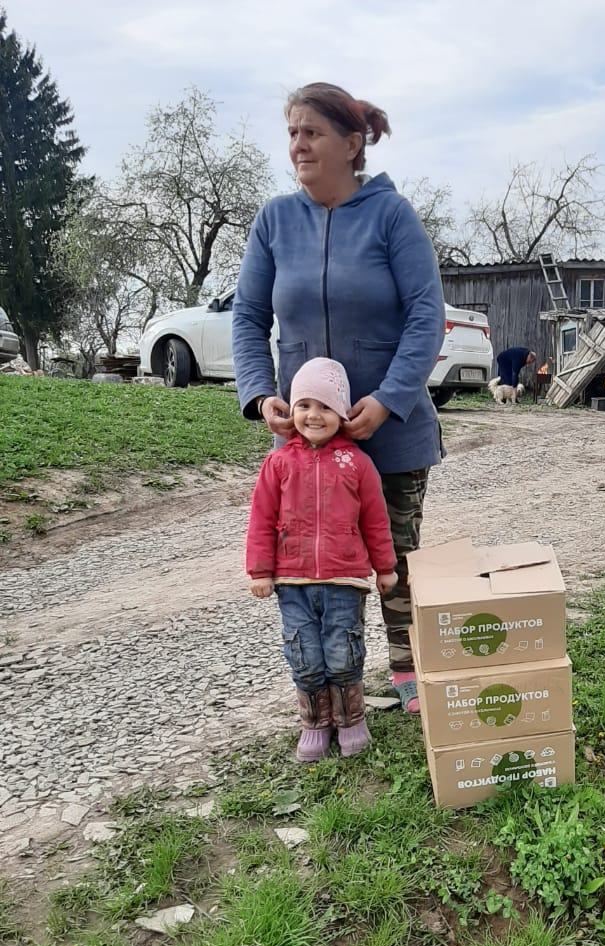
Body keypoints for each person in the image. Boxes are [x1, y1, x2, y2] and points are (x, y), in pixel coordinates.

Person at [232, 81, 446, 715]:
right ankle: (329, 689)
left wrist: (388, 399)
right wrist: (260, 394)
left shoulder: (392, 216)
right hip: (305, 443)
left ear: (352, 145)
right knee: (313, 564)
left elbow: (426, 316)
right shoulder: (274, 222)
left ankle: (408, 676)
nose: (298, 145)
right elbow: (248, 317)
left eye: (312, 133)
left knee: (394, 559)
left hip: (390, 430)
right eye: (292, 133)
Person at [246, 358, 398, 761]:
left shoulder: (357, 463)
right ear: (291, 410)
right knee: (304, 654)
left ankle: (351, 719)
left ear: (343, 412)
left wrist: (385, 567)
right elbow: (261, 518)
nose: (314, 415)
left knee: (343, 651)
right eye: (304, 405)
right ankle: (314, 722)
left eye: (326, 406)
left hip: (345, 580)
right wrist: (260, 570)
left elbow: (375, 520)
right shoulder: (279, 463)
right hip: (292, 581)